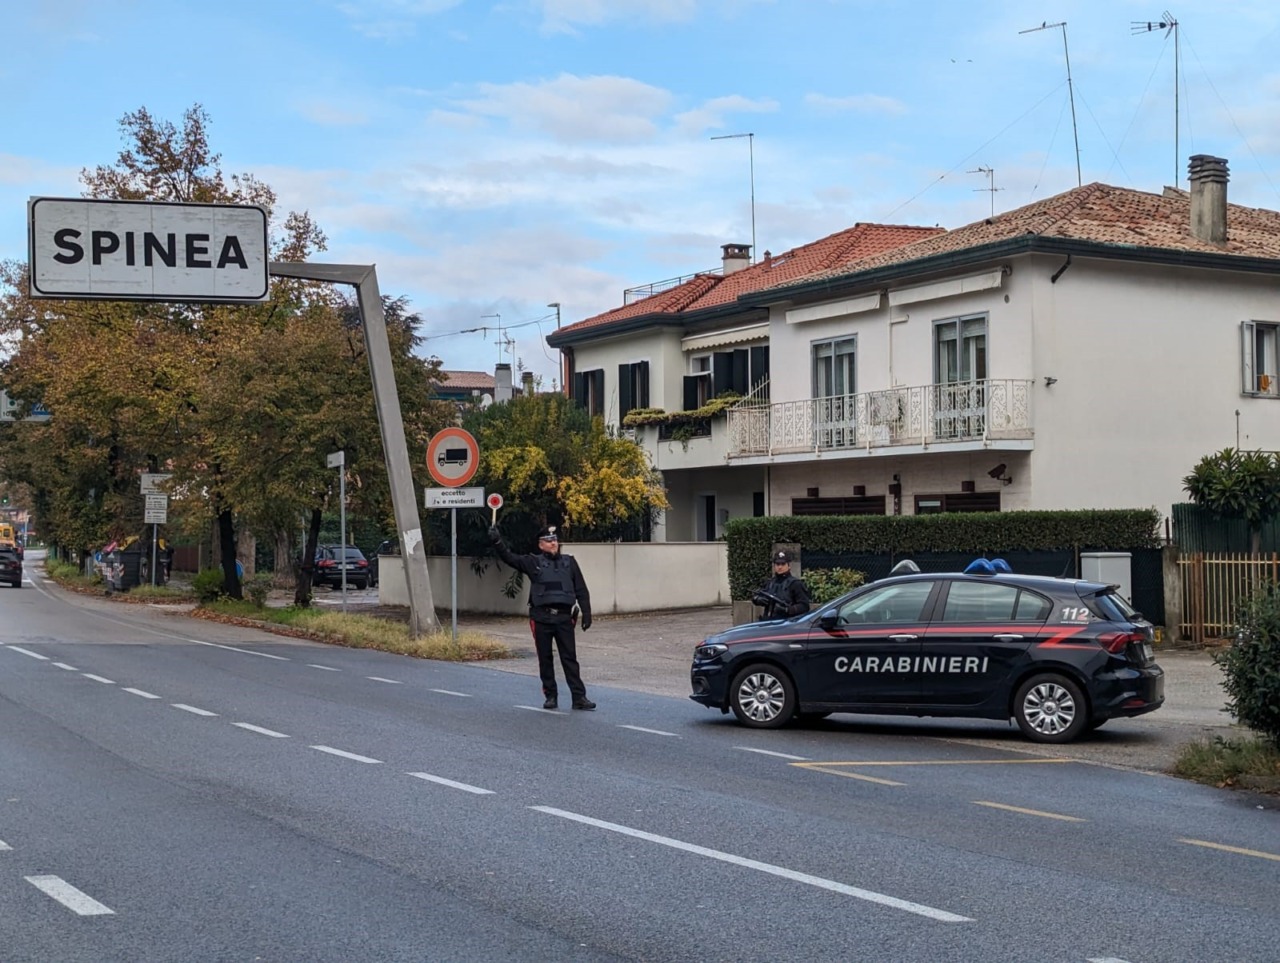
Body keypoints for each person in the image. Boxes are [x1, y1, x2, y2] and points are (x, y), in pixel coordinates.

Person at [488, 523, 596, 711]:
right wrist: (497, 542)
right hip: (541, 618)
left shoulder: (570, 563)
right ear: (540, 545)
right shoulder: (533, 562)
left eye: (554, 540)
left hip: (564, 618)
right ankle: (551, 696)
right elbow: (510, 558)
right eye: (548, 541)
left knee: (570, 659)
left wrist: (587, 613)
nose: (553, 543)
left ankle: (579, 697)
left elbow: (581, 589)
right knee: (545, 659)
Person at [752, 550, 812, 621]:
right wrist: (757, 599)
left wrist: (788, 610)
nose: (780, 567)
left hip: (787, 624)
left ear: (789, 566)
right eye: (777, 564)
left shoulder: (795, 584)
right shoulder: (770, 583)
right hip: (768, 622)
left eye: (783, 564)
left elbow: (804, 606)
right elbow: (759, 594)